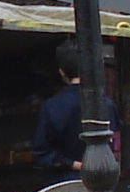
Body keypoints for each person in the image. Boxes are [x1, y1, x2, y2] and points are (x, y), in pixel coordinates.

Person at [31, 39, 89, 174]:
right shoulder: (107, 104)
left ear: (62, 72)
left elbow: (41, 154)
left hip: (65, 185)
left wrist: (73, 165)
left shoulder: (51, 107)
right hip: (104, 184)